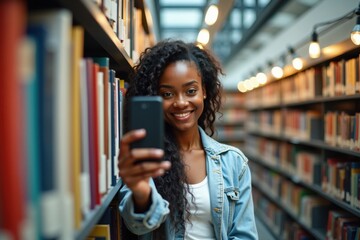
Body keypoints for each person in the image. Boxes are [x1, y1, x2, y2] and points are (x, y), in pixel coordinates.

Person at [118, 39, 258, 240]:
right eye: (167, 94)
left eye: (190, 91)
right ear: (155, 97)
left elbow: (245, 236)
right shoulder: (144, 157)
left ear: (205, 92)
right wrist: (142, 194)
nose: (181, 103)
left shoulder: (234, 162)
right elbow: (137, 227)